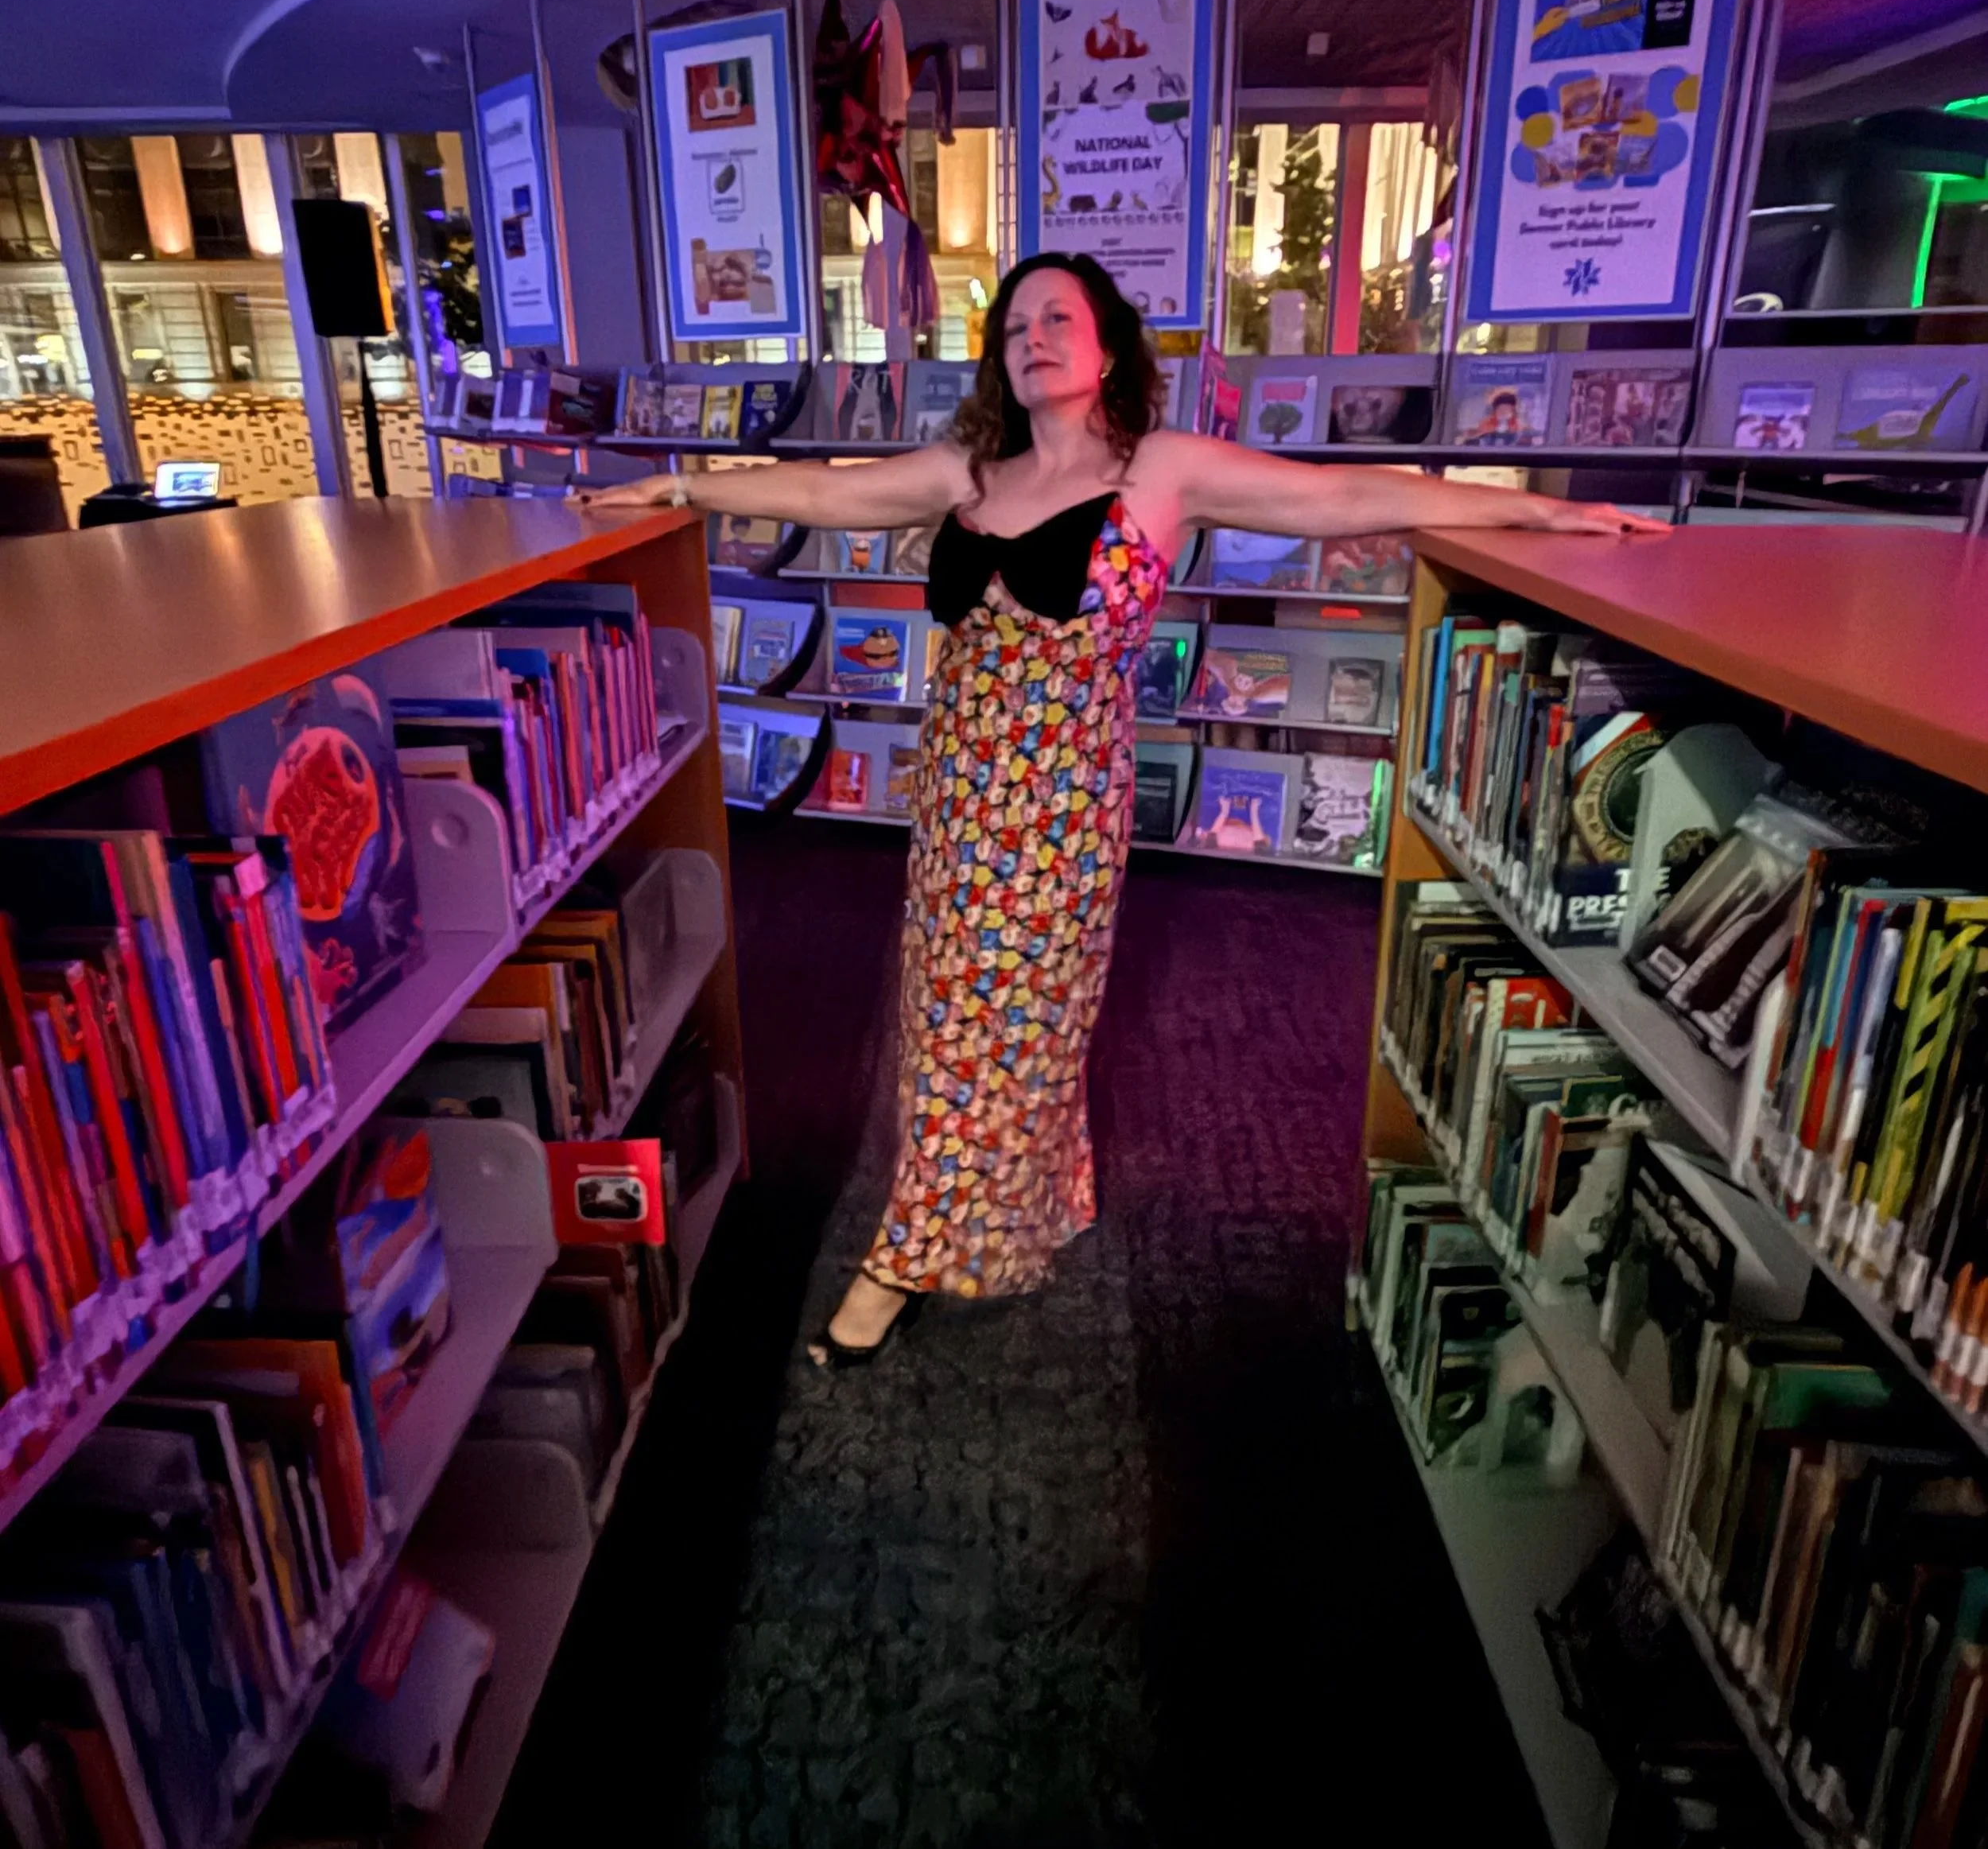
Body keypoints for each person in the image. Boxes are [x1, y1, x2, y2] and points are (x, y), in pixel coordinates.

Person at [576, 251, 1665, 1368]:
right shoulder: (969, 472)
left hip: (1060, 822)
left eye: (1059, 319)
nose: (1034, 338)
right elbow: (822, 492)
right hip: (955, 806)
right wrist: (680, 488)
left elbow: (1343, 496)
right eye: (1015, 327)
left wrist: (1540, 510)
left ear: (1107, 349)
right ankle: (1036, 1196)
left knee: (1006, 1027)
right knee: (949, 1019)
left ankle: (903, 1257)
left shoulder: (1161, 471)